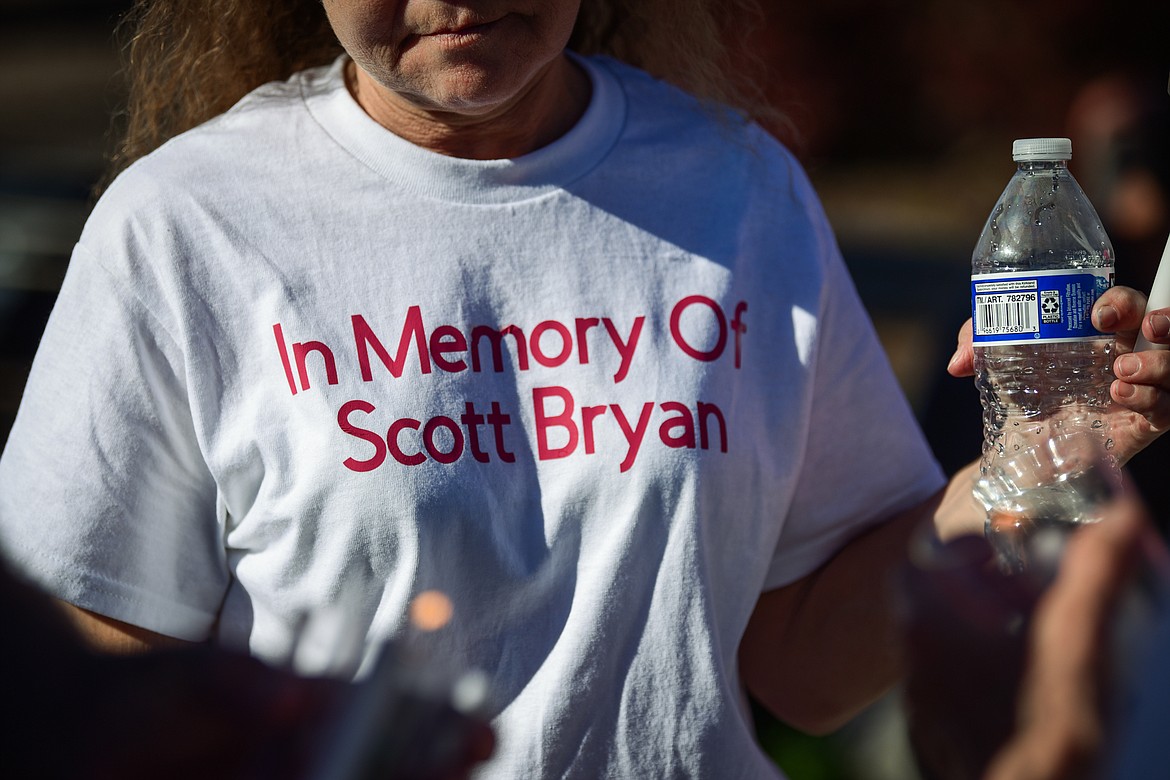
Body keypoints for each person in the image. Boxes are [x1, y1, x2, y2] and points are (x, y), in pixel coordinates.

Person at [0, 0, 1167, 776]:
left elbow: (804, 669)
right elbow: (86, 672)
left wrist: (1032, 472)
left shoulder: (737, 189)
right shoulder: (186, 225)